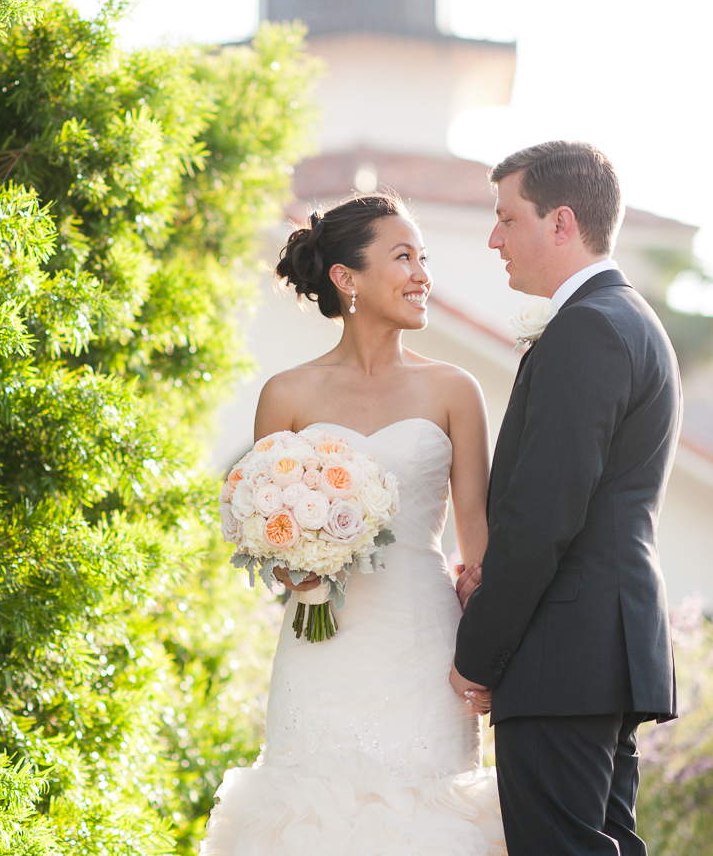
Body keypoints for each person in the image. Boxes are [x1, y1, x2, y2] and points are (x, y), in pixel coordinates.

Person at [202, 192, 506, 855]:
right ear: (347, 279)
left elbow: (476, 540)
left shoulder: (455, 389)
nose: (423, 274)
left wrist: (485, 652)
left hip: (424, 645)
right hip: (321, 646)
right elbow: (266, 536)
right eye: (403, 257)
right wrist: (298, 561)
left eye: (424, 258)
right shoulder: (287, 394)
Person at [450, 141, 680, 856]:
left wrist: (478, 653)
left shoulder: (587, 329)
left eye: (506, 218)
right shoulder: (624, 318)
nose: (493, 238)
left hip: (563, 655)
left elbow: (542, 515)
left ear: (559, 223)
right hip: (597, 649)